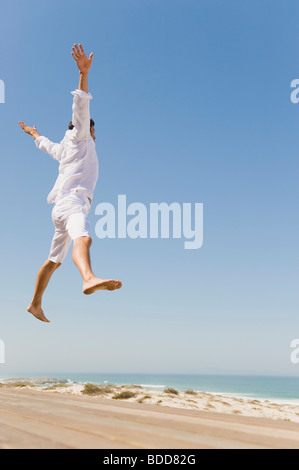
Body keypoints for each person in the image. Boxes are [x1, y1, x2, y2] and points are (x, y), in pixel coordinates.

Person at [18, 43, 122, 323]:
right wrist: (83, 74)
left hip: (60, 208)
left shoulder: (64, 149)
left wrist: (33, 132)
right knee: (84, 238)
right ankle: (88, 278)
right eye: (92, 128)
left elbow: (45, 145)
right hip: (74, 202)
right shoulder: (80, 136)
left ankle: (35, 303)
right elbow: (80, 103)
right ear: (85, 127)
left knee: (54, 260)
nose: (95, 133)